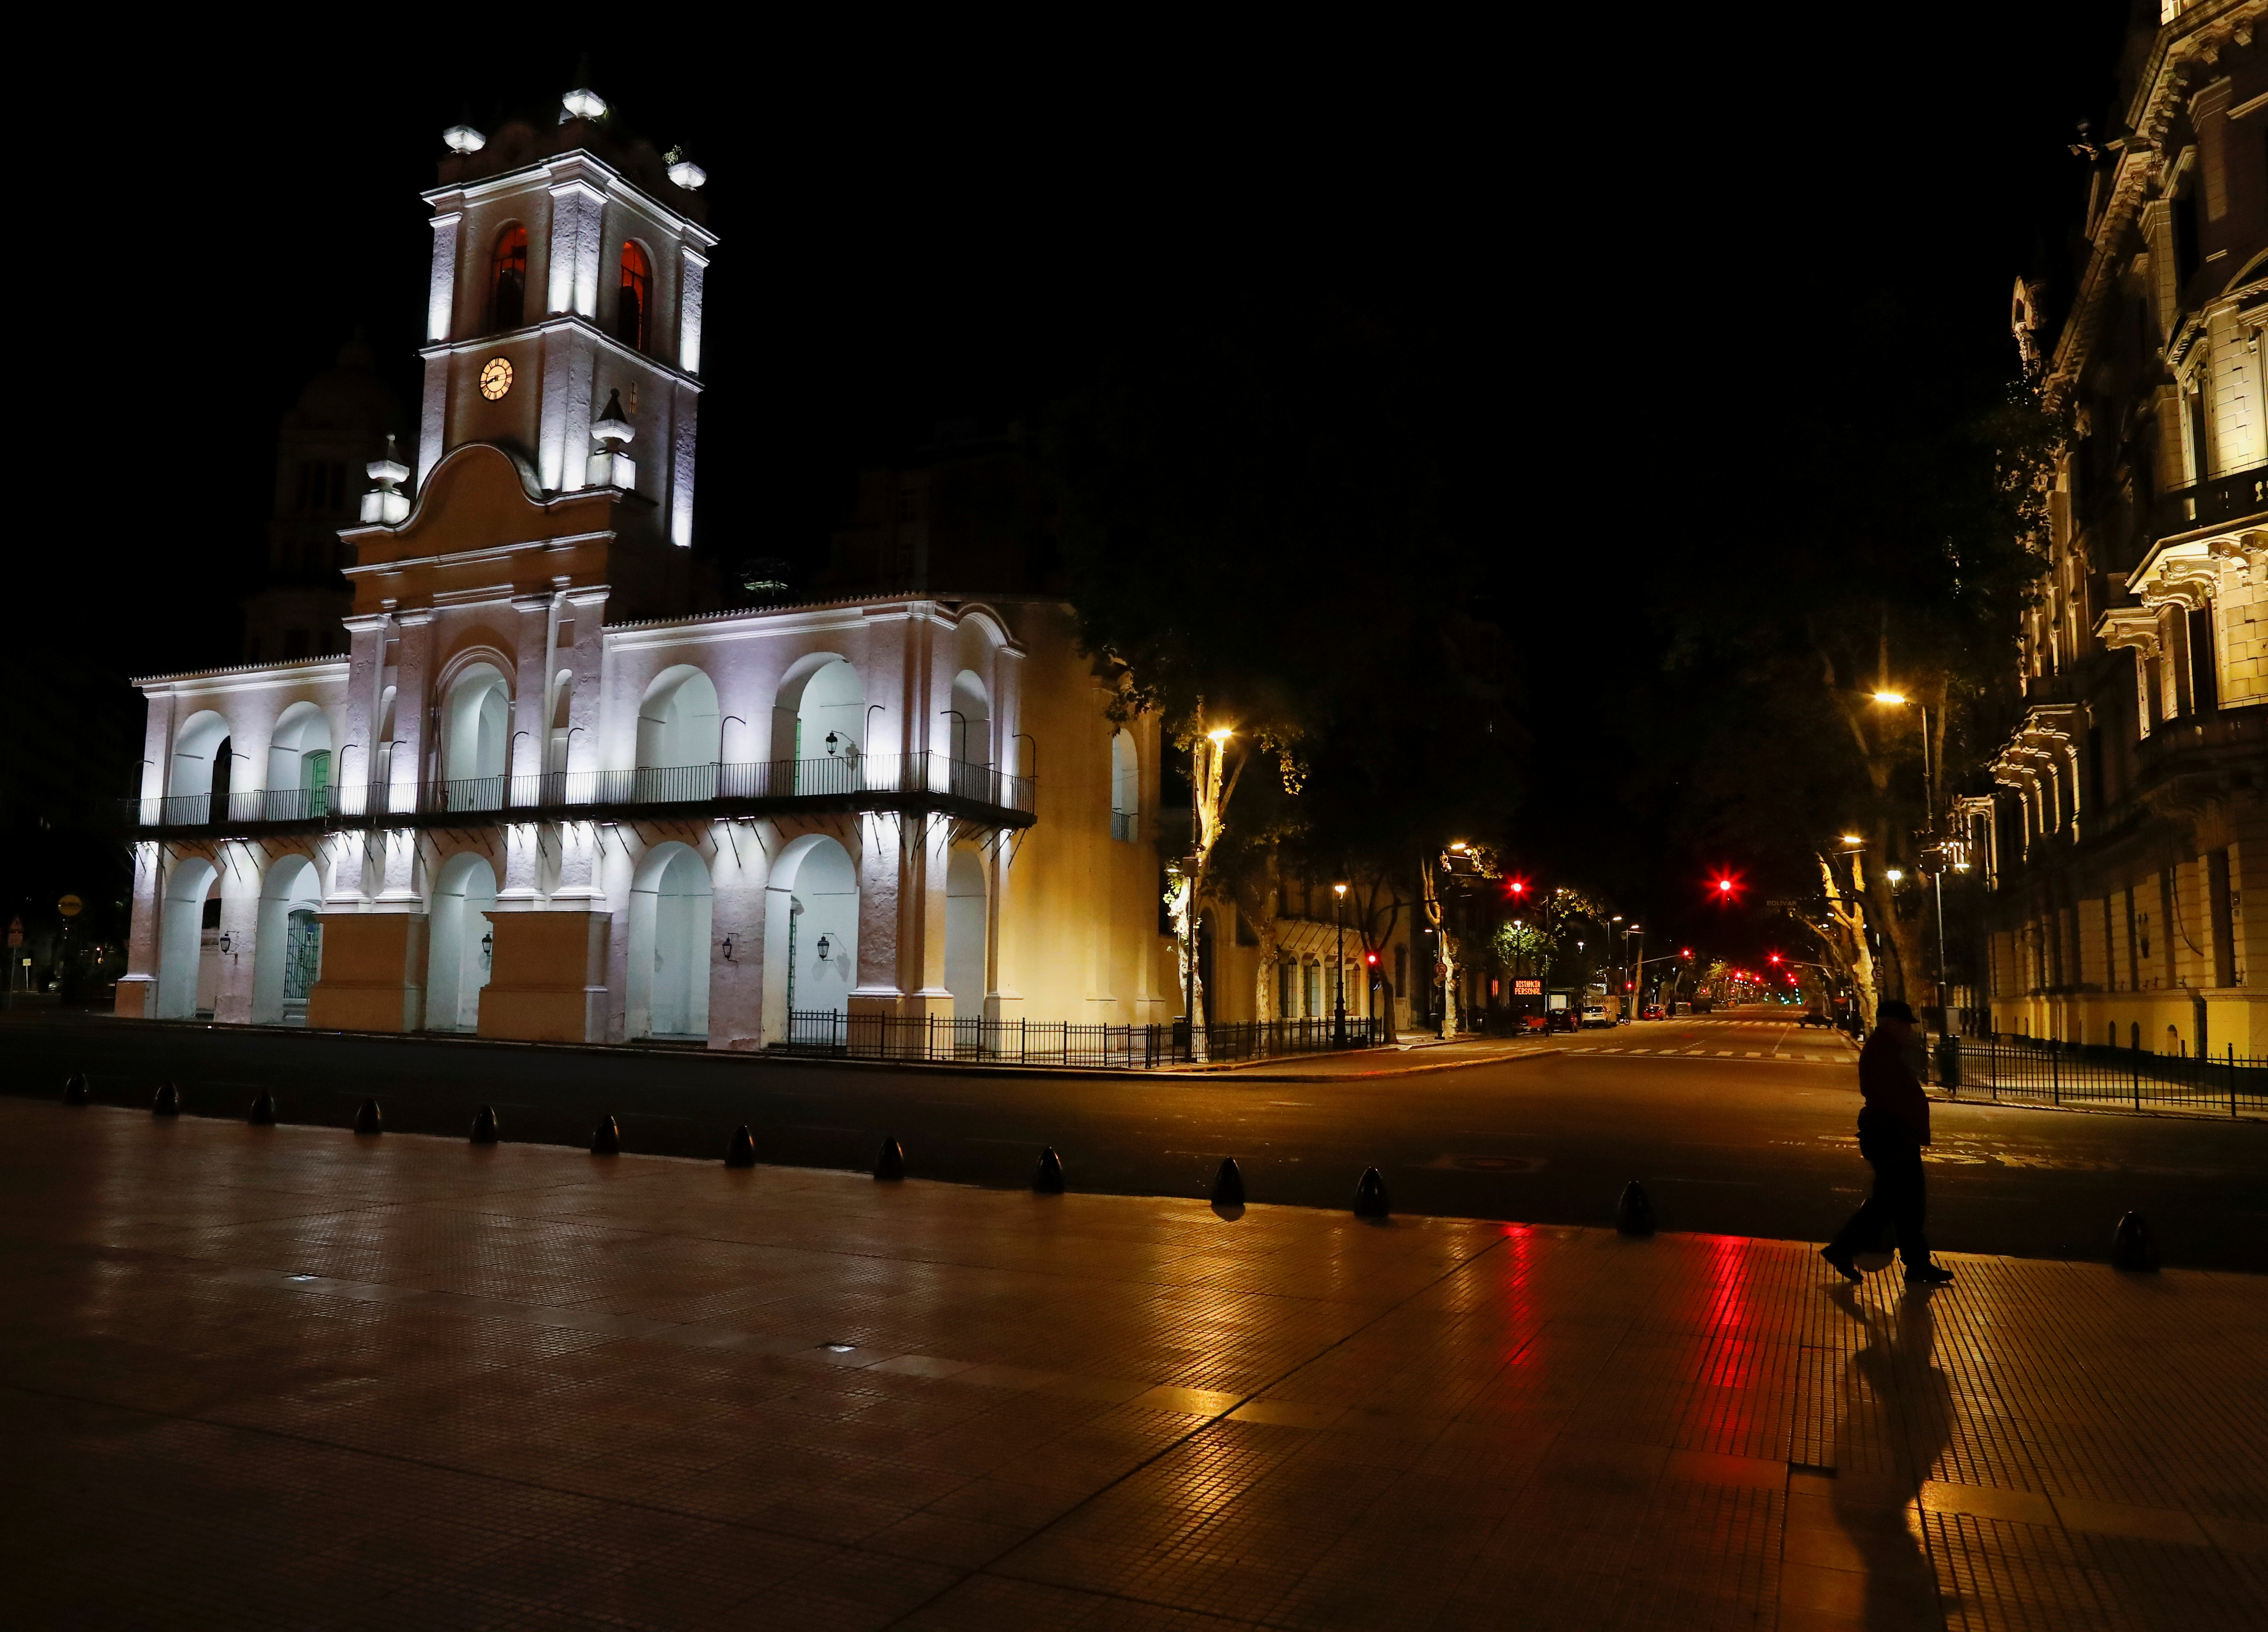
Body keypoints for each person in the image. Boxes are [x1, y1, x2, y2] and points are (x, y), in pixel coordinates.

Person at [1822, 999, 1954, 1286]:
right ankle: (1844, 1247)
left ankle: (1916, 1264)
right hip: (1892, 1134)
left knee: (1905, 1203)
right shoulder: (1883, 1052)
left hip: (1893, 1133)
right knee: (1896, 1202)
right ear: (1892, 1024)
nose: (1909, 1030)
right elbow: (1892, 1096)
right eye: (1906, 1025)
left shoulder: (1886, 1049)